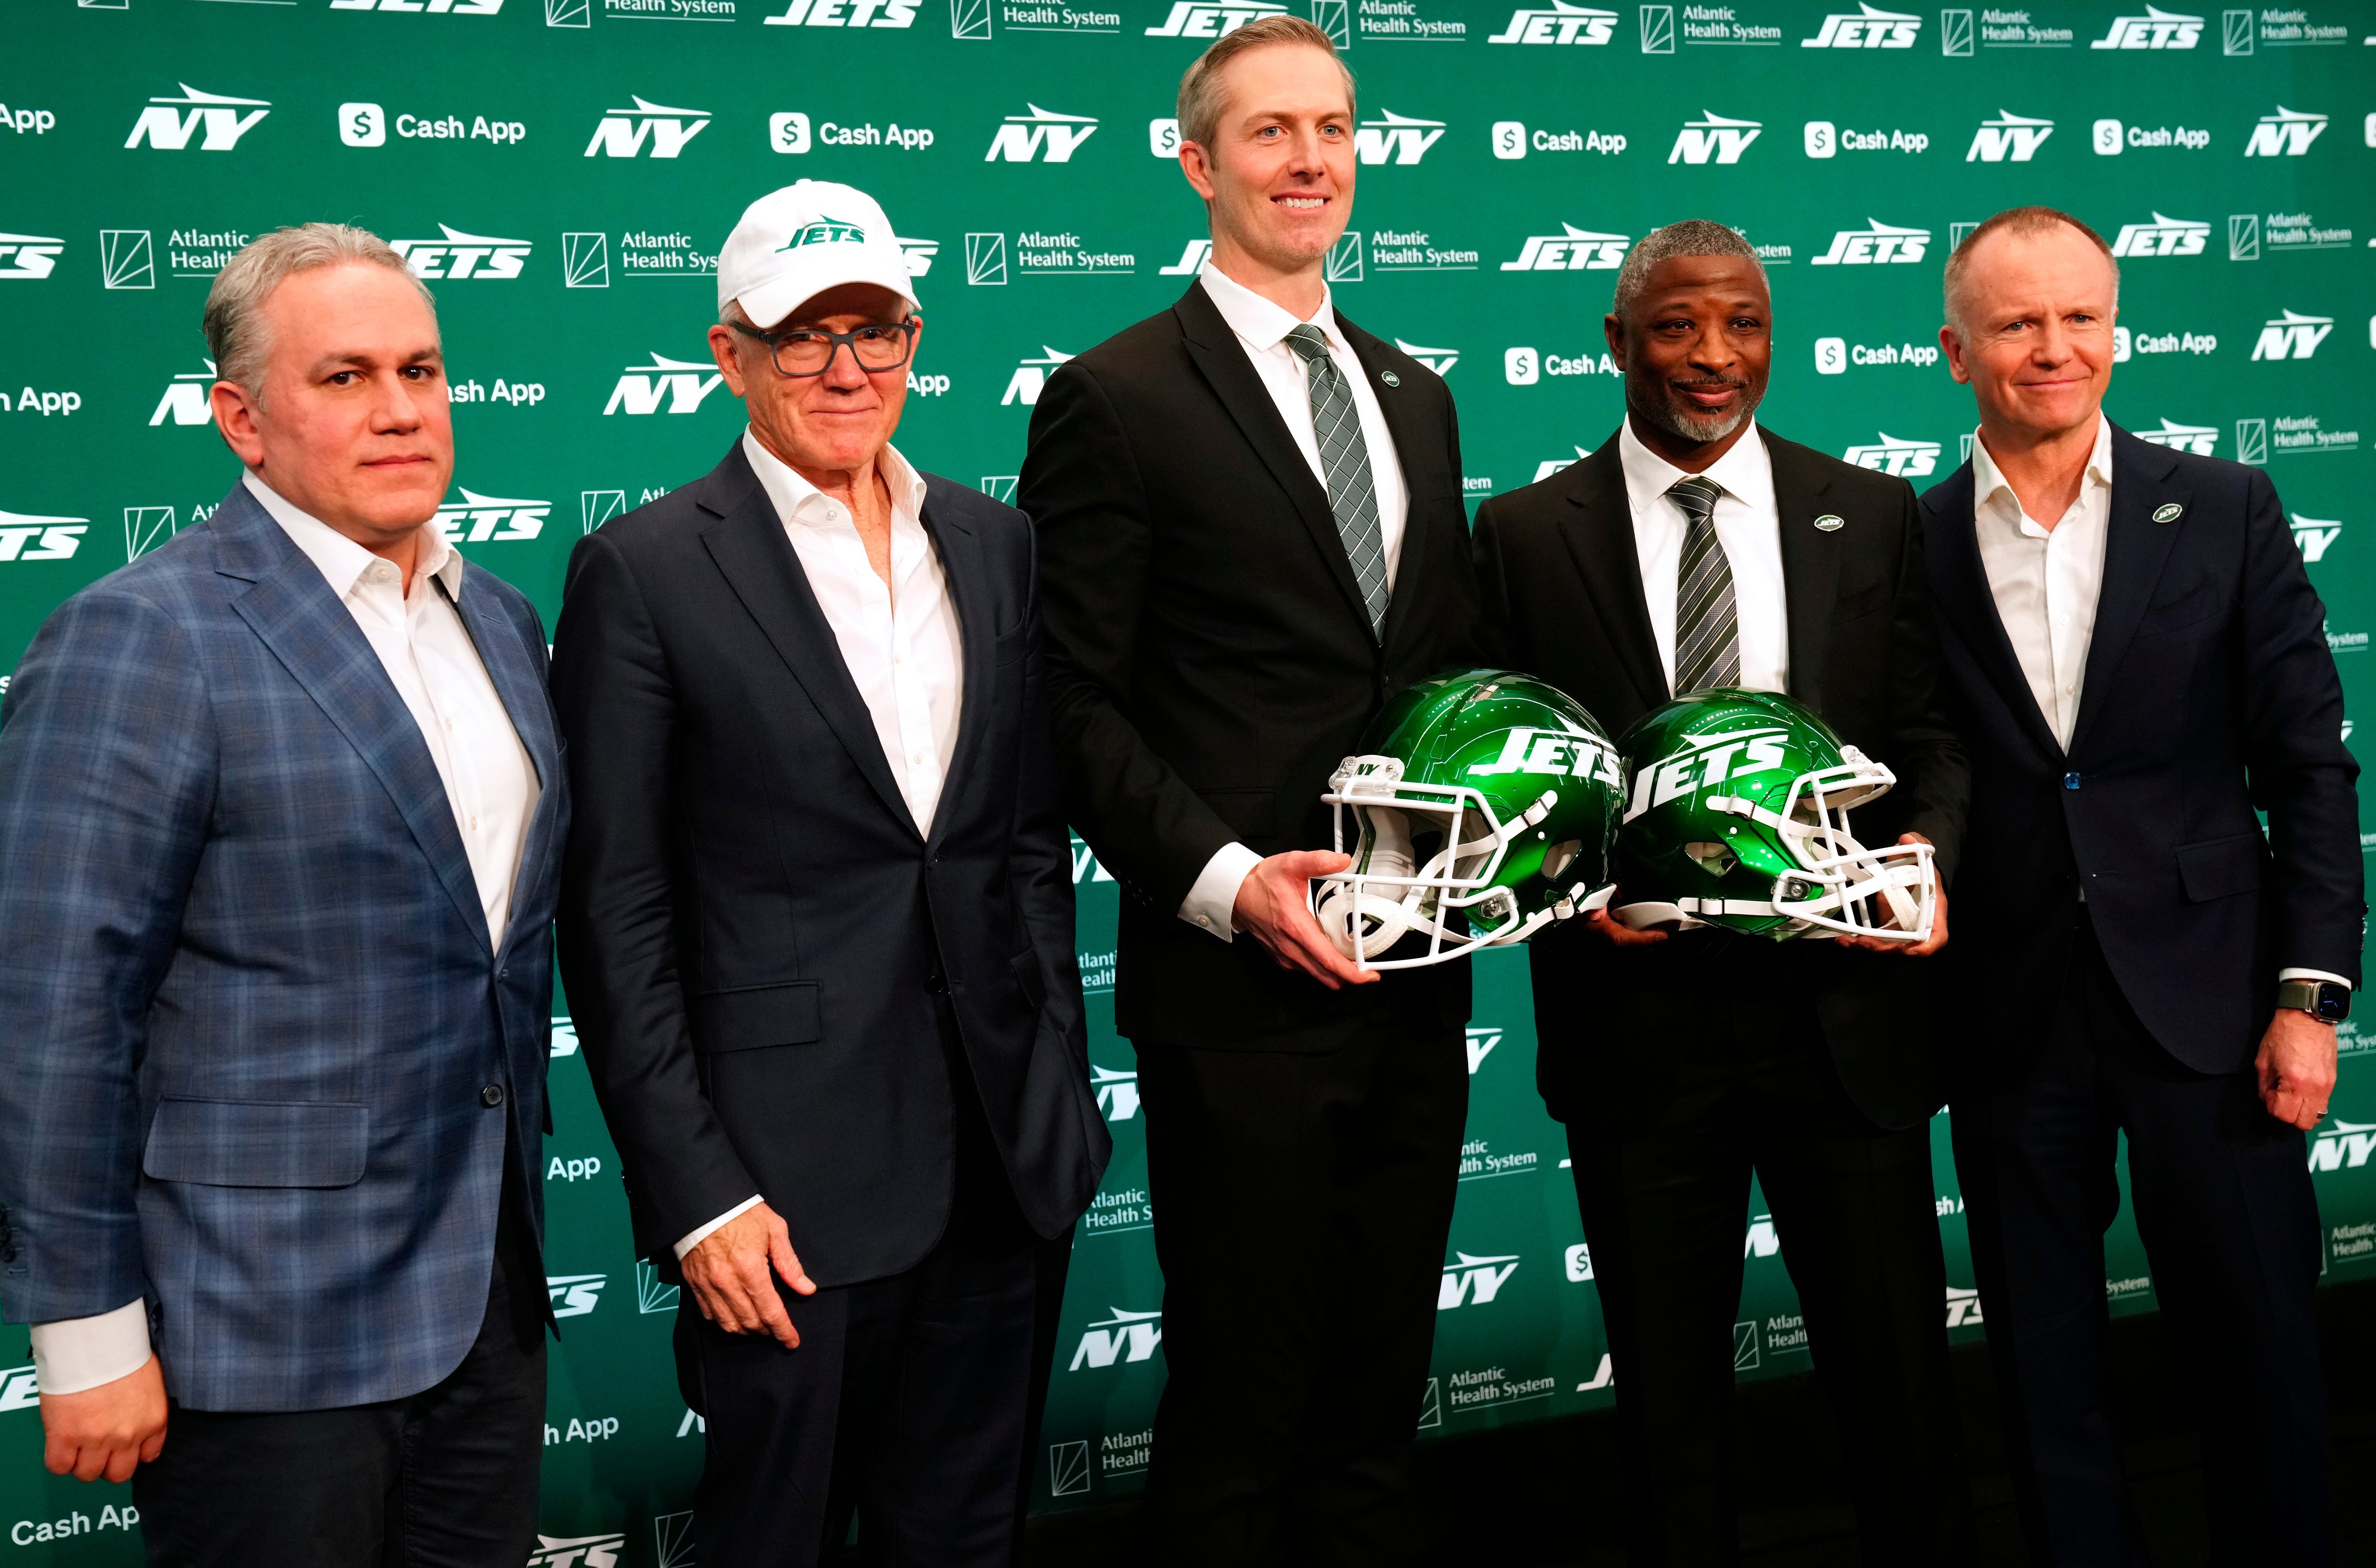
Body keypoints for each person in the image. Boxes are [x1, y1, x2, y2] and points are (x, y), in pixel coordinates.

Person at [550, 180, 1107, 1567]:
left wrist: (1056, 1079)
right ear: (730, 352)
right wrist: (696, 1194)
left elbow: (1022, 844)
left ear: (917, 340)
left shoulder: (992, 540)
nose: (847, 368)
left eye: (877, 329)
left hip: (1001, 1168)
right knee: (773, 1544)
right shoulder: (646, 569)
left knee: (964, 1542)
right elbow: (615, 915)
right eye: (804, 335)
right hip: (780, 1202)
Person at [0, 223, 566, 1565]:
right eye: (347, 378)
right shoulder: (146, 636)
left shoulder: (497, 619)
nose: (399, 411)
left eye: (421, 372)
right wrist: (83, 1331)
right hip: (255, 1338)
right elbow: (51, 1012)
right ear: (241, 420)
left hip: (483, 1307)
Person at [1017, 18, 1479, 1564]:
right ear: (1198, 161)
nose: (1312, 159)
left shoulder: (1414, 392)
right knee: (1238, 1414)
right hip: (1241, 999)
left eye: (1335, 128)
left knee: (1373, 1412)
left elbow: (1425, 677)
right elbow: (1068, 703)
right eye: (1272, 131)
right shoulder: (1117, 394)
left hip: (1418, 974)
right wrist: (1230, 886)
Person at [1471, 220, 1973, 1566]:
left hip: (1842, 1017)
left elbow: (1928, 732)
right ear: (1618, 342)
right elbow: (1510, 776)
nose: (1714, 357)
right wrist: (1571, 891)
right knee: (1667, 1411)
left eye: (1742, 323)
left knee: (1900, 1393)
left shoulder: (1868, 510)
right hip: (1636, 1032)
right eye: (1681, 326)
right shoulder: (1521, 534)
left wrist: (1924, 854)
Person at [1921, 205, 2356, 1567]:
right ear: (1954, 351)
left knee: (2264, 1346)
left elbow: (2309, 764)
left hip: (2211, 1010)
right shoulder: (1905, 540)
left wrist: (2309, 997)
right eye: (2018, 324)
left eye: (2081, 318)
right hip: (2008, 1015)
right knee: (2044, 1373)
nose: (2056, 349)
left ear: (2117, 329)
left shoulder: (2225, 504)